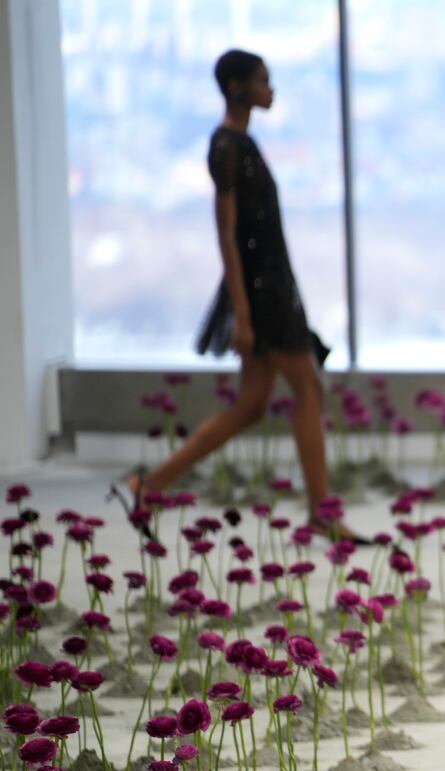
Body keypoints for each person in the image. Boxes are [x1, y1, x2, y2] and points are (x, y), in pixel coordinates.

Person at [113, 49, 363, 544]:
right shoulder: (227, 146)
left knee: (251, 406)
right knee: (307, 388)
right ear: (238, 87)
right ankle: (322, 510)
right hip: (261, 290)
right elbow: (227, 234)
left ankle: (149, 484)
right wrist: (243, 314)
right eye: (263, 81)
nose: (271, 90)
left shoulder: (241, 144)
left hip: (271, 283)